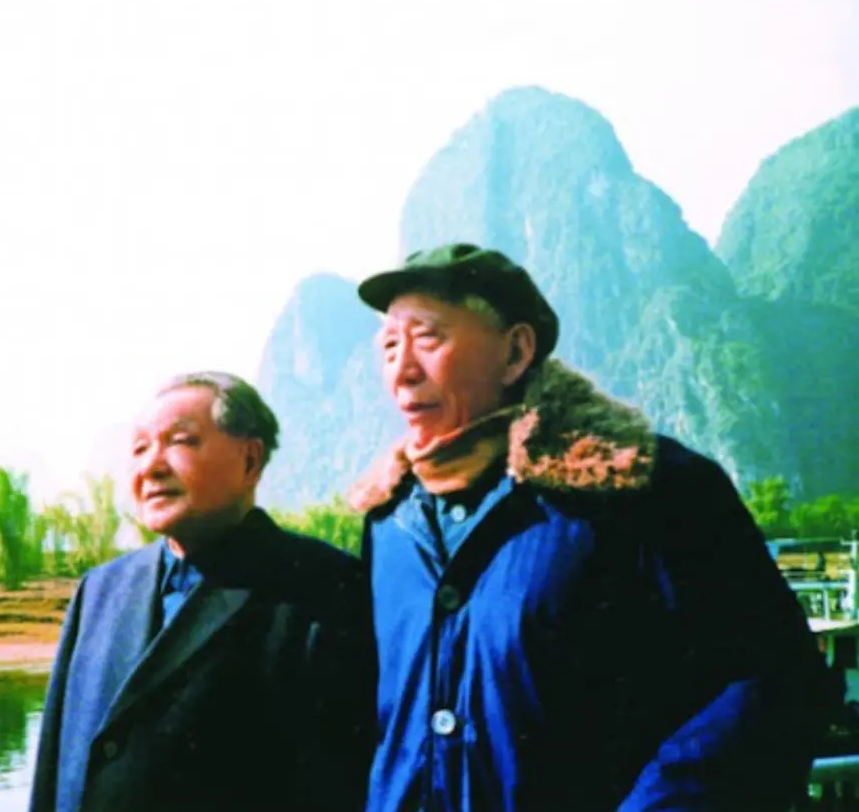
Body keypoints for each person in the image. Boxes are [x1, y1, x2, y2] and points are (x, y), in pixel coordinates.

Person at [347, 242, 840, 812]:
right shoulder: (391, 521)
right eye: (389, 346)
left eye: (428, 339)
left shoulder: (644, 488)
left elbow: (771, 680)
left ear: (515, 352)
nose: (402, 371)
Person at [29, 371, 376, 812]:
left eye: (180, 442)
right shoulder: (100, 590)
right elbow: (53, 769)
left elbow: (337, 782)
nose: (151, 466)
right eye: (139, 448)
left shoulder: (321, 585)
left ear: (250, 460)